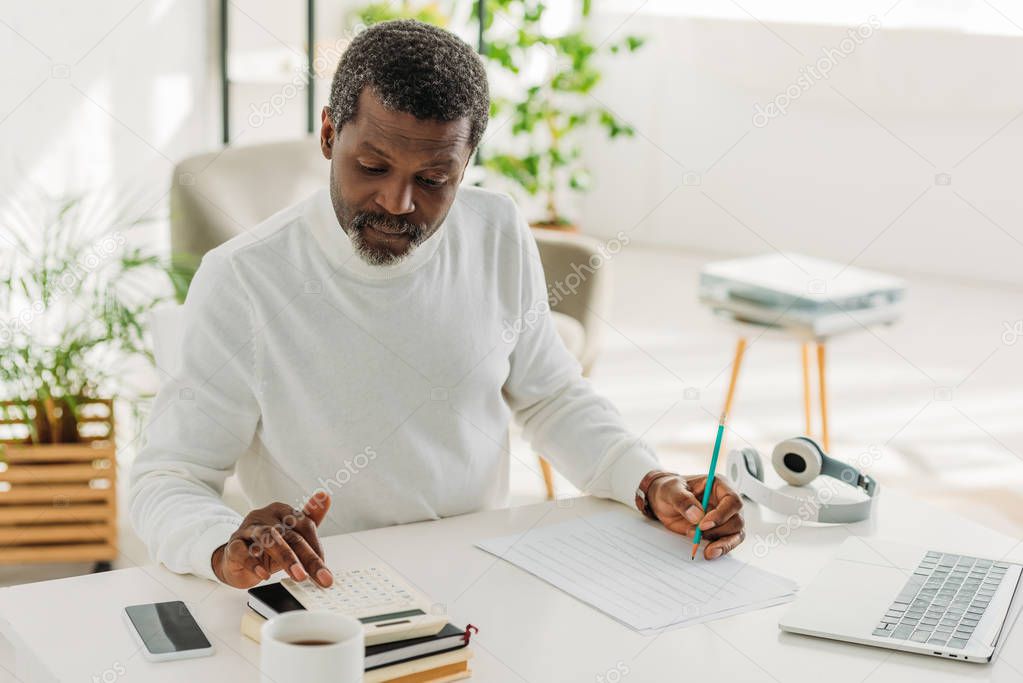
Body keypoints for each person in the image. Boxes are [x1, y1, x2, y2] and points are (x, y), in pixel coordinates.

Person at [128, 19, 744, 590]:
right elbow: (170, 476)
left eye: (433, 180)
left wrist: (648, 481)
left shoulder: (497, 229)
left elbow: (550, 396)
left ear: (466, 164)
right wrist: (222, 546)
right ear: (326, 134)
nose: (396, 202)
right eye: (372, 166)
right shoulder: (244, 278)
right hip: (331, 589)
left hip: (477, 576)